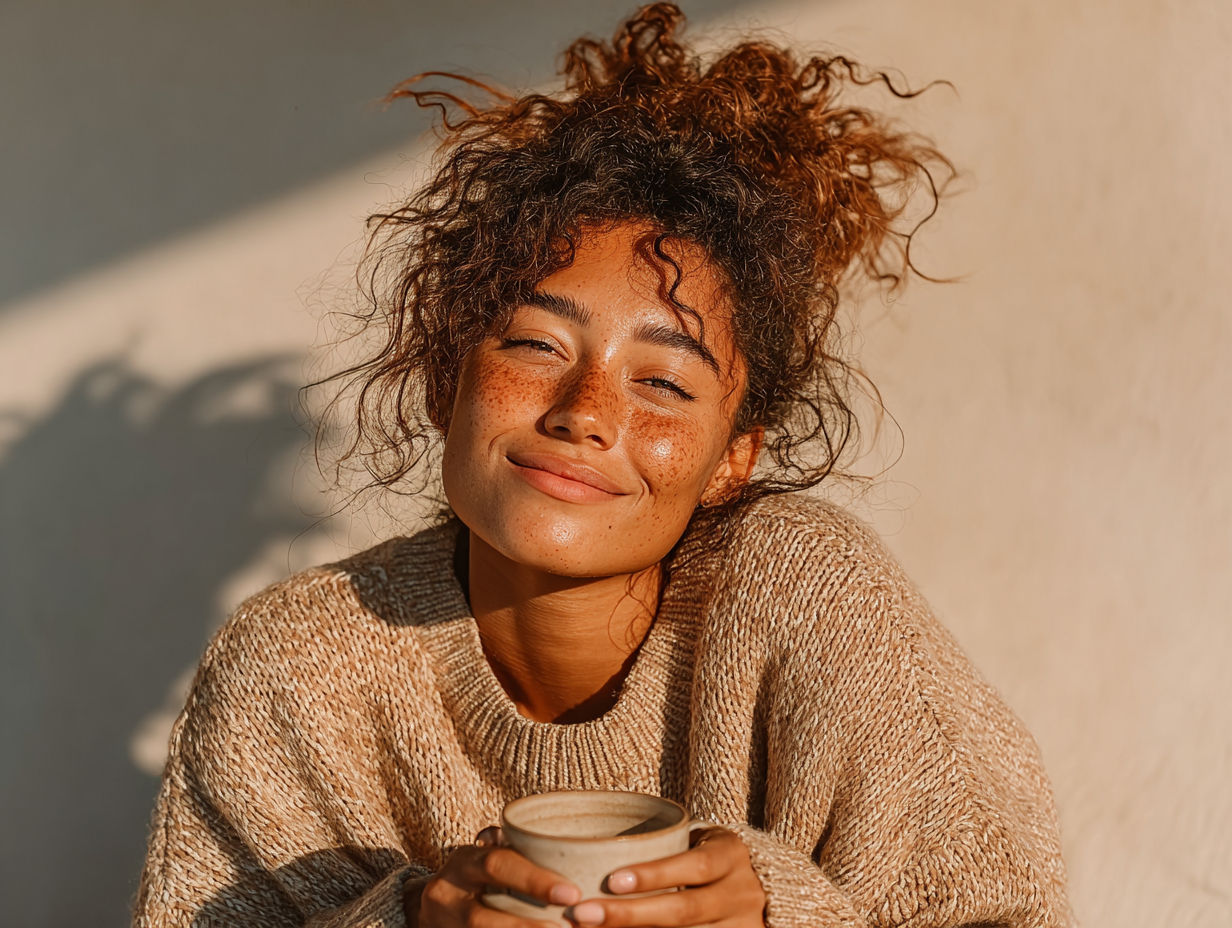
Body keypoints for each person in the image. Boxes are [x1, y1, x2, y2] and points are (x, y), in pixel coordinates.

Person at [134, 5, 1073, 927]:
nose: (585, 414)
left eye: (663, 382)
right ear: (444, 378)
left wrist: (775, 916)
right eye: (538, 346)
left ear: (730, 460)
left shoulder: (810, 603)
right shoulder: (294, 672)